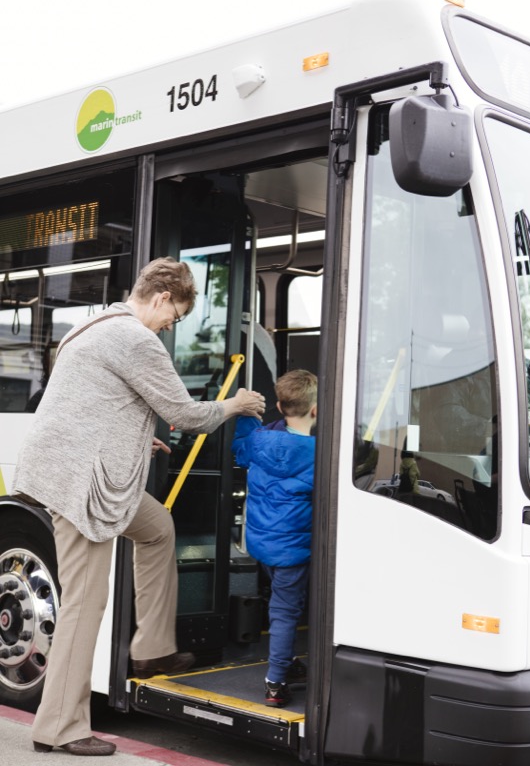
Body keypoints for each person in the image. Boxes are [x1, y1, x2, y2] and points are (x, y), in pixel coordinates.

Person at [11, 257, 265, 757]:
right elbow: (186, 414)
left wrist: (134, 438)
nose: (172, 328)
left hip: (80, 470)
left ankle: (151, 650)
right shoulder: (133, 338)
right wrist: (235, 404)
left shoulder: (92, 326)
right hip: (80, 486)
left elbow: (88, 403)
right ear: (162, 297)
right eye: (175, 317)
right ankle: (59, 727)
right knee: (86, 604)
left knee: (157, 527)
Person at [231, 369, 317, 708]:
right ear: (315, 410)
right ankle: (275, 682)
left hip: (262, 544)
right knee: (285, 612)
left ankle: (289, 663)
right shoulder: (319, 453)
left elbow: (240, 448)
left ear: (279, 406)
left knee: (280, 604)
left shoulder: (260, 440)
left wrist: (246, 413)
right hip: (295, 550)